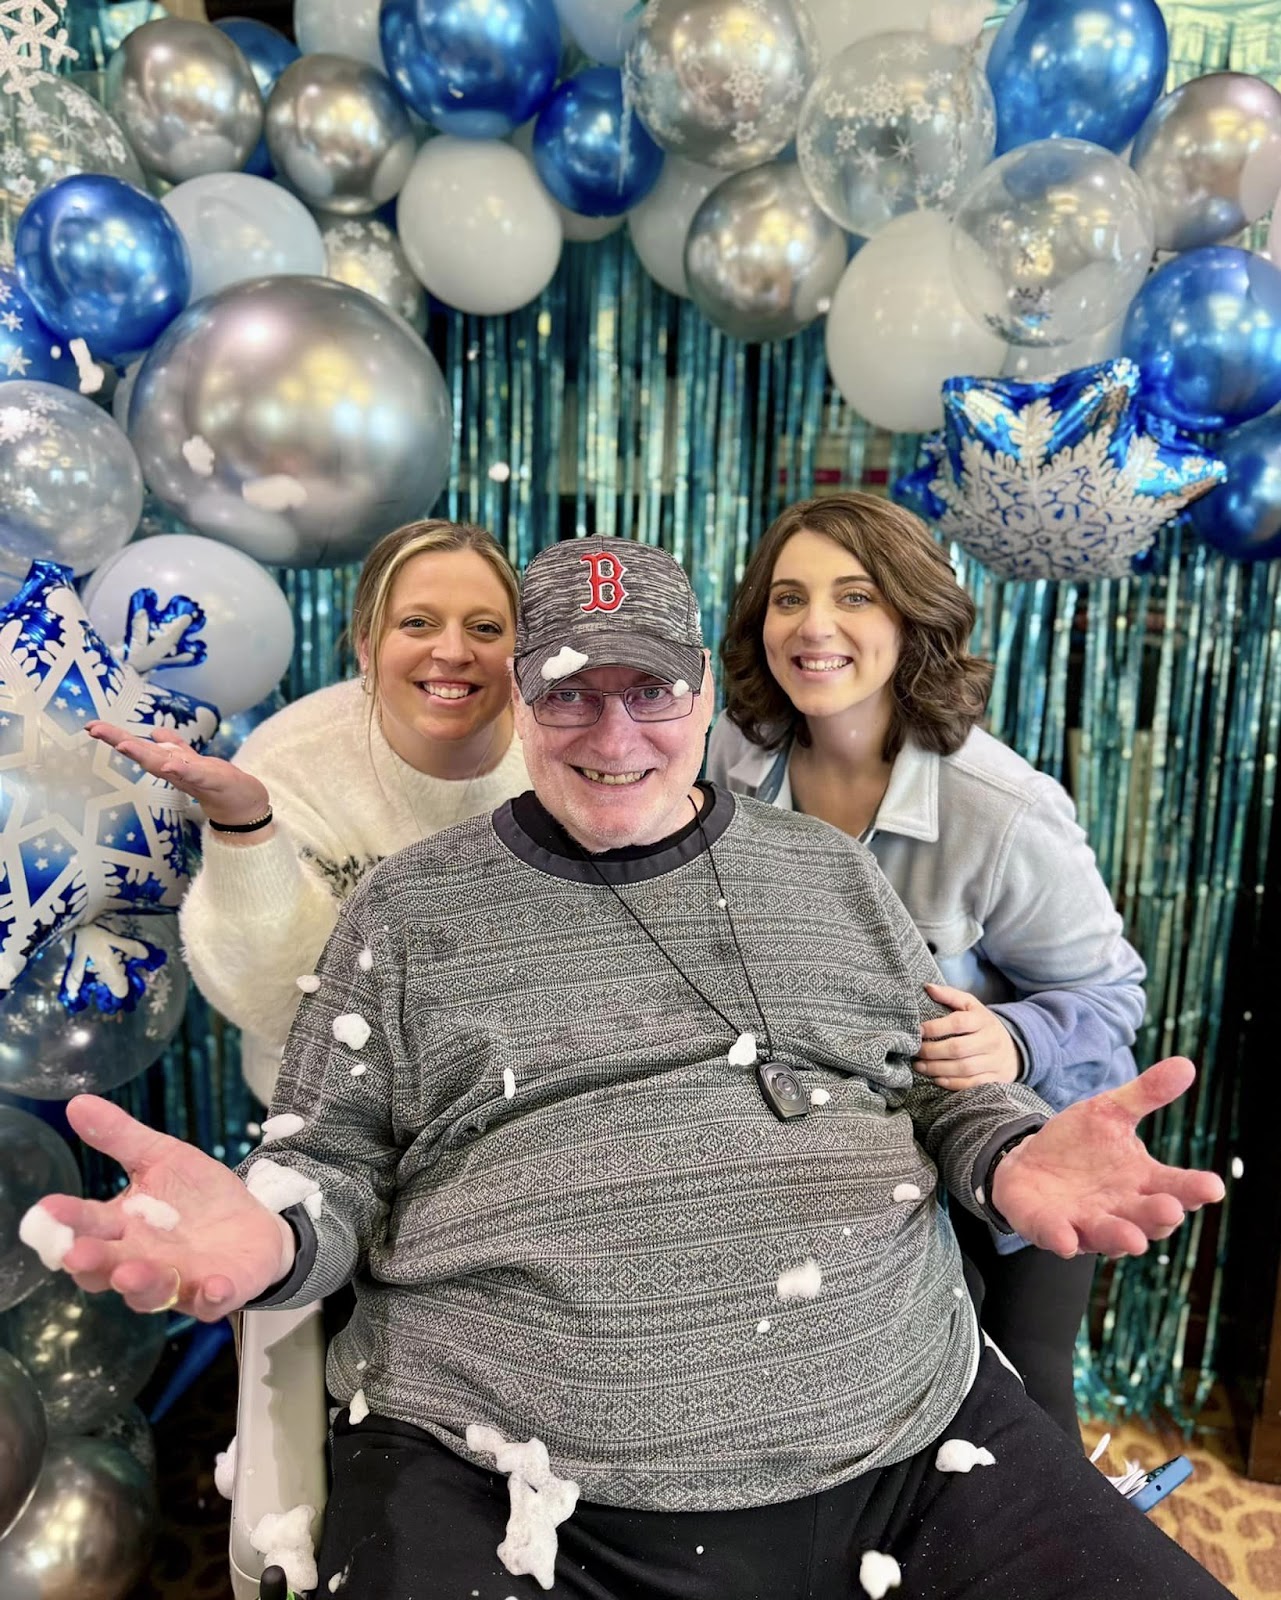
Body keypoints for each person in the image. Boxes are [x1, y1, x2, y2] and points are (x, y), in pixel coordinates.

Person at [41, 537, 1228, 1600]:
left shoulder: (830, 874)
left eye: (651, 690)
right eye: (570, 695)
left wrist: (1010, 1147)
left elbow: (930, 1085)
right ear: (520, 701)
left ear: (705, 692)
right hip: (506, 1481)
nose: (616, 739)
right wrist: (274, 1235)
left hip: (910, 1446)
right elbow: (332, 1159)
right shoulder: (407, 911)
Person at [706, 493, 1145, 1440]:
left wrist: (1014, 1039)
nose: (813, 625)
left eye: (854, 596)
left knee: (1014, 1414)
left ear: (911, 619)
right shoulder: (724, 762)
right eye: (787, 598)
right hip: (832, 1159)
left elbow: (1112, 999)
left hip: (1011, 1167)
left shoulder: (1003, 808)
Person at [87, 519, 529, 1104]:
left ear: (519, 652)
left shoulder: (565, 750)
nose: (452, 651)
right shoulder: (291, 759)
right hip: (327, 1113)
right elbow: (270, 999)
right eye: (417, 623)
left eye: (485, 627)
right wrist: (244, 825)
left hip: (522, 1107)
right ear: (368, 648)